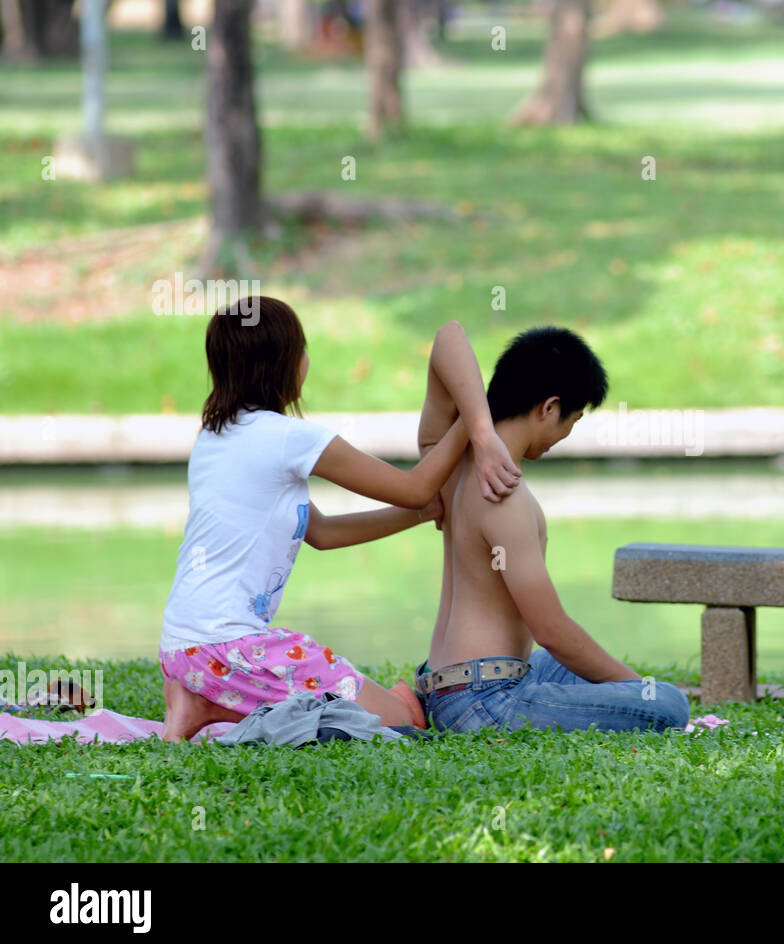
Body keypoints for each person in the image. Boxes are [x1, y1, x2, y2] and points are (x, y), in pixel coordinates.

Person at [158, 298, 522, 741]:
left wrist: (424, 514)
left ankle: (201, 701)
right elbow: (414, 487)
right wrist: (475, 413)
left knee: (362, 705)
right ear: (284, 362)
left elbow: (324, 533)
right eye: (302, 349)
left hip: (183, 649)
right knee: (401, 719)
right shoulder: (289, 439)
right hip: (233, 650)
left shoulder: (215, 437)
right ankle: (207, 704)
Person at [410, 324, 690, 733]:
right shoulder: (504, 495)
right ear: (549, 407)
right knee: (668, 704)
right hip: (484, 702)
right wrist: (638, 691)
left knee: (568, 670)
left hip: (447, 681)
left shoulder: (449, 463)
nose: (566, 435)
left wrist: (482, 435)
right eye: (572, 421)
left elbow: (447, 339)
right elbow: (551, 631)